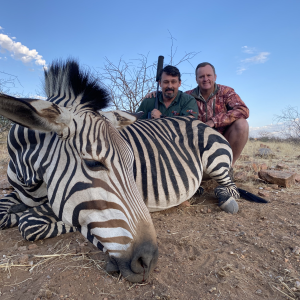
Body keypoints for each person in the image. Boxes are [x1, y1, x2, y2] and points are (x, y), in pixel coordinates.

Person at [144, 62, 249, 166]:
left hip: (223, 139)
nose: (205, 79)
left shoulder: (226, 92)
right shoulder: (187, 97)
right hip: (198, 142)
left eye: (209, 75)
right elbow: (174, 102)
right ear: (196, 79)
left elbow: (243, 110)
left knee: (242, 125)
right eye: (201, 76)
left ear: (215, 77)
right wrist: (158, 94)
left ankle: (228, 167)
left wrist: (213, 121)